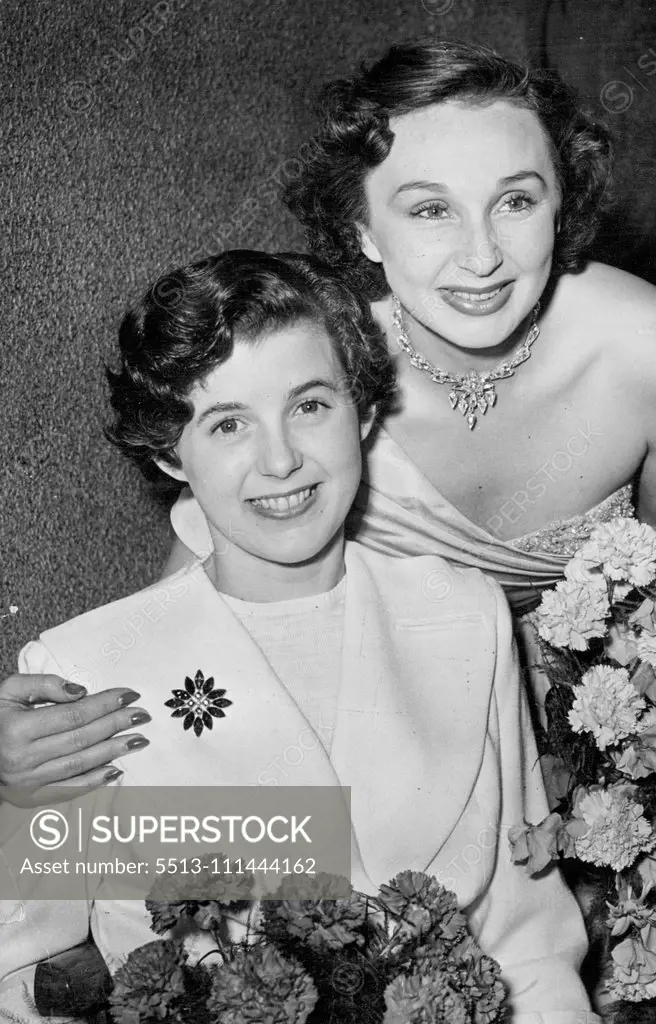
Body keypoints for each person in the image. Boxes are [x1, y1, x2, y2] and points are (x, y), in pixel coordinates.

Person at [0, 40, 656, 796]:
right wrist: (62, 725)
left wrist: (611, 722)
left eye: (516, 201)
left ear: (561, 204)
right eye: (430, 209)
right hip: (380, 710)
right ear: (363, 230)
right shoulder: (317, 364)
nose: (481, 257)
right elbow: (210, 578)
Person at [0, 251, 596, 1024]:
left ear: (365, 412)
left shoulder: (466, 615)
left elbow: (530, 949)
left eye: (310, 405)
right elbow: (24, 977)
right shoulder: (92, 666)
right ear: (168, 451)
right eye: (228, 424)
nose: (280, 460)